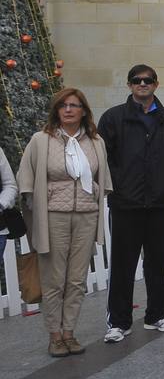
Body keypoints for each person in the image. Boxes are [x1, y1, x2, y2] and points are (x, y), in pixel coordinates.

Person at [98, 64, 164, 342]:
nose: (142, 84)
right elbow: (104, 158)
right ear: (129, 85)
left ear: (156, 84)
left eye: (148, 80)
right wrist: (120, 185)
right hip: (125, 204)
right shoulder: (113, 118)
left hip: (158, 203)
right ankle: (119, 321)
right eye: (137, 80)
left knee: (158, 263)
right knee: (123, 264)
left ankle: (156, 315)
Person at [17, 89, 105, 357]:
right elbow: (26, 178)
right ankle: (55, 336)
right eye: (63, 106)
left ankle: (69, 332)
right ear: (56, 110)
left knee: (77, 279)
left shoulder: (95, 141)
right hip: (53, 214)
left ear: (83, 111)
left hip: (86, 214)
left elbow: (103, 177)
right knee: (54, 279)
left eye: (74, 106)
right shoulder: (40, 140)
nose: (68, 110)